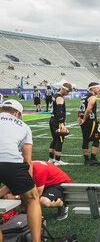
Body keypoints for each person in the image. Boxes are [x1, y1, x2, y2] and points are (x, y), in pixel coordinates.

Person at [0, 100, 42, 242]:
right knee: (33, 199)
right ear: (17, 113)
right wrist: (27, 189)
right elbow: (27, 160)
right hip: (12, 163)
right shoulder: (23, 126)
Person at [0, 160, 72, 221]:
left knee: (44, 201)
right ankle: (25, 214)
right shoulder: (22, 170)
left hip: (58, 183)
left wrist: (15, 197)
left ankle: (61, 204)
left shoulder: (38, 171)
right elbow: (7, 188)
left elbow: (36, 196)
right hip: (43, 183)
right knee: (23, 192)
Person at [78, 82, 100, 165]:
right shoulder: (92, 97)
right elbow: (88, 110)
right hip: (90, 121)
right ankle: (93, 158)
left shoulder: (84, 96)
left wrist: (80, 117)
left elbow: (80, 109)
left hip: (84, 120)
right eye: (97, 88)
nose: (99, 89)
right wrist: (84, 119)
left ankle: (86, 159)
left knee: (85, 140)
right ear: (92, 88)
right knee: (96, 138)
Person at [49, 83, 72, 166]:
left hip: (52, 119)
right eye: (68, 91)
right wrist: (62, 123)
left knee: (54, 139)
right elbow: (59, 111)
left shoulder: (55, 95)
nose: (68, 93)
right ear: (63, 89)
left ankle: (51, 159)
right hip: (57, 121)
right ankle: (58, 160)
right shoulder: (59, 97)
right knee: (60, 140)